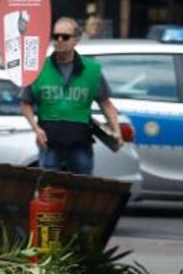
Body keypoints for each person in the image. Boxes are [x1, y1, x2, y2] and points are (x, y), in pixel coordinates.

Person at [19, 17, 121, 175]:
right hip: (49, 144)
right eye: (56, 36)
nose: (59, 40)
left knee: (83, 192)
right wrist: (36, 129)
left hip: (80, 143)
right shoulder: (38, 68)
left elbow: (106, 103)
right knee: (48, 191)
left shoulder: (92, 70)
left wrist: (117, 130)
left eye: (65, 37)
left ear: (76, 40)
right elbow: (25, 103)